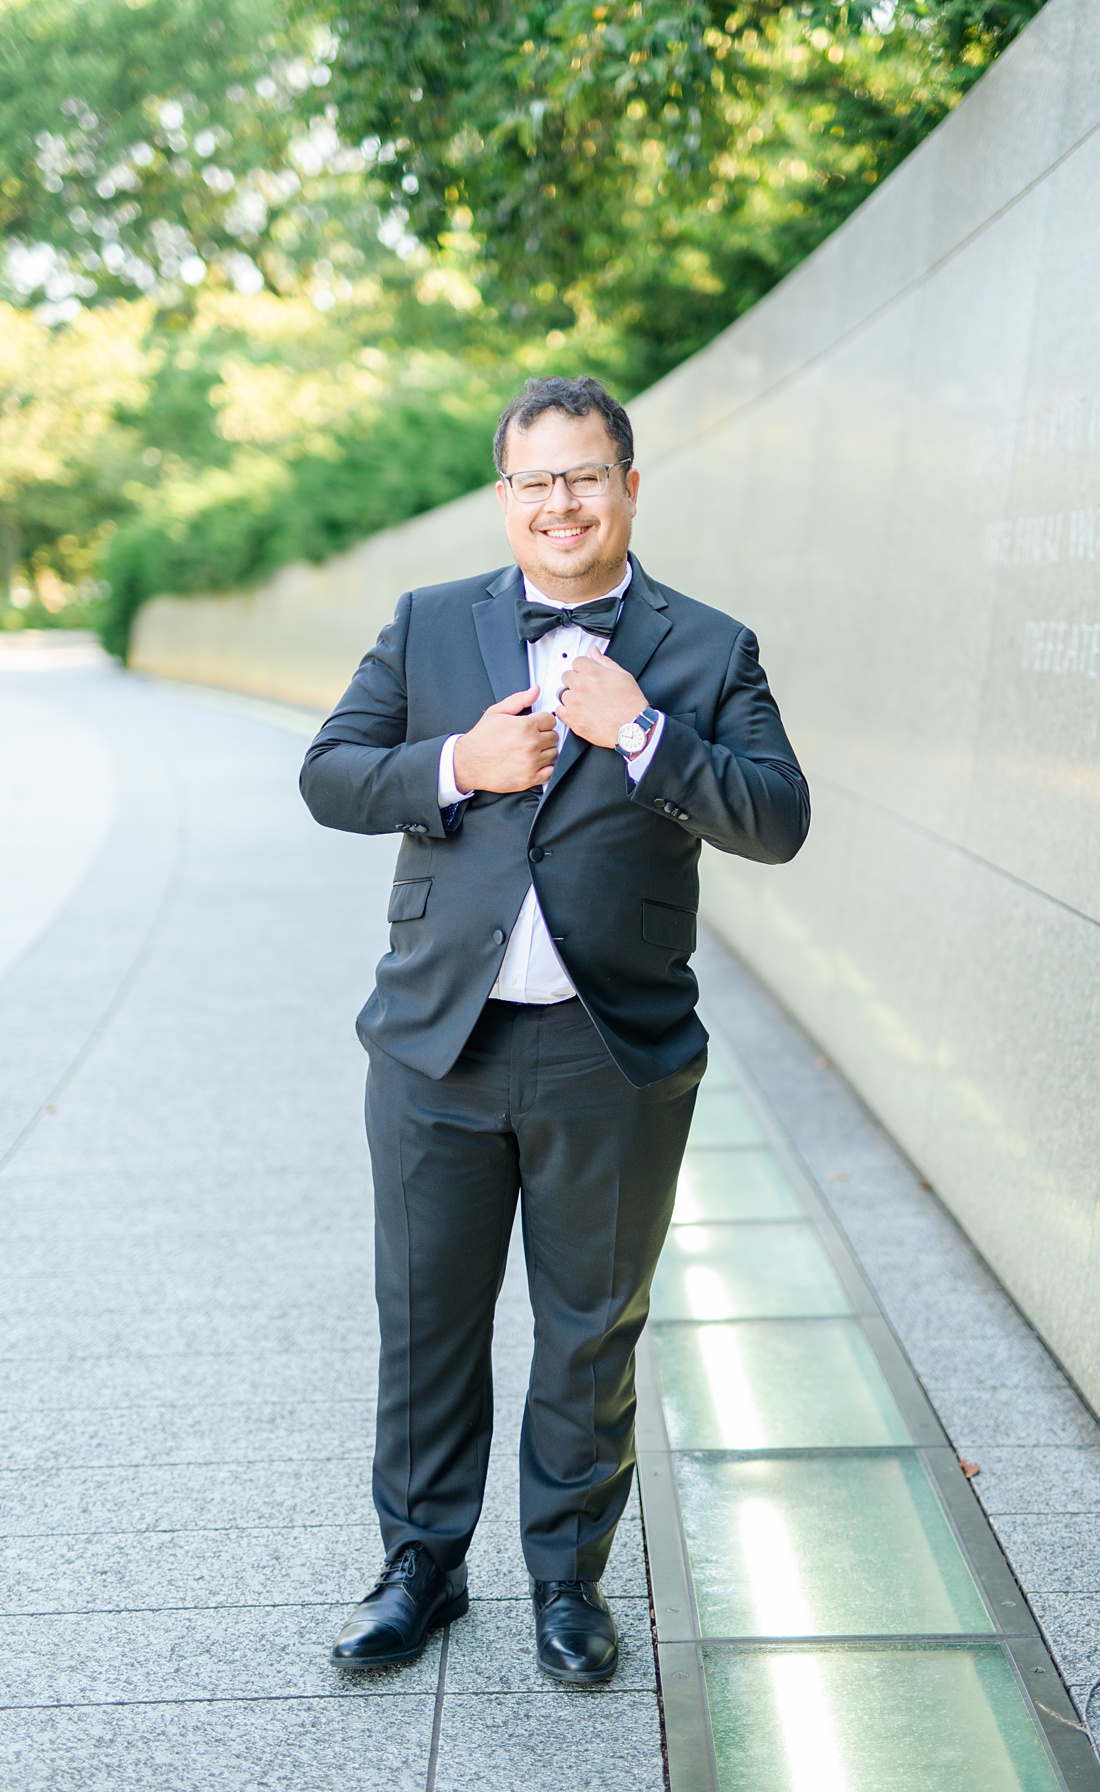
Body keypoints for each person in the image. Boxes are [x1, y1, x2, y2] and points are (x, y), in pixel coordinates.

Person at [300, 374, 809, 1682]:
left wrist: (641, 733)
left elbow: (776, 818)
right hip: (437, 1046)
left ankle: (569, 1585)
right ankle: (421, 1565)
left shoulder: (707, 646)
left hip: (612, 1052)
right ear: (504, 497)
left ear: (630, 488)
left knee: (592, 1329)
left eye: (585, 475)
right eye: (535, 480)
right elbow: (330, 774)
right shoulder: (426, 627)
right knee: (426, 1315)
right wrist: (456, 767)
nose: (561, 502)